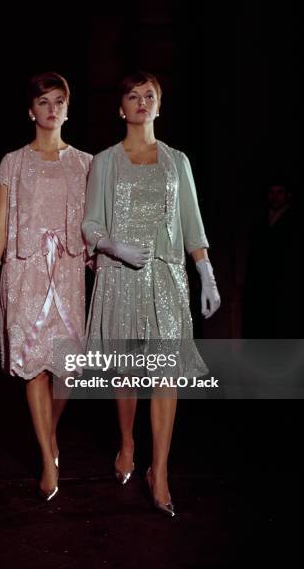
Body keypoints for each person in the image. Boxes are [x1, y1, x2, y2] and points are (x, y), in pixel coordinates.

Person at [83, 71, 221, 517]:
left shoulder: (177, 161)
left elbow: (193, 223)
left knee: (164, 375)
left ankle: (159, 472)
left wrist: (206, 273)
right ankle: (127, 444)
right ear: (120, 108)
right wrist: (111, 244)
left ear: (159, 106)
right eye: (132, 96)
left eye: (149, 96)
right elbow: (89, 223)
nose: (141, 102)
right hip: (120, 274)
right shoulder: (104, 161)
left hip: (166, 277)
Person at [0, 72, 92, 501]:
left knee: (64, 369)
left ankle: (50, 435)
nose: (51, 109)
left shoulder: (86, 163)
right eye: (43, 102)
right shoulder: (13, 161)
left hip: (67, 272)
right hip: (24, 272)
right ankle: (48, 458)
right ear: (31, 110)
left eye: (58, 101)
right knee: (32, 364)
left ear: (67, 108)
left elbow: (95, 222)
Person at [242, 180, 302, 338]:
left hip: (286, 291)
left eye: (279, 192)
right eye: (272, 192)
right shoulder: (260, 221)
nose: (275, 197)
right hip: (261, 289)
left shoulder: (295, 222)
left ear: (288, 195)